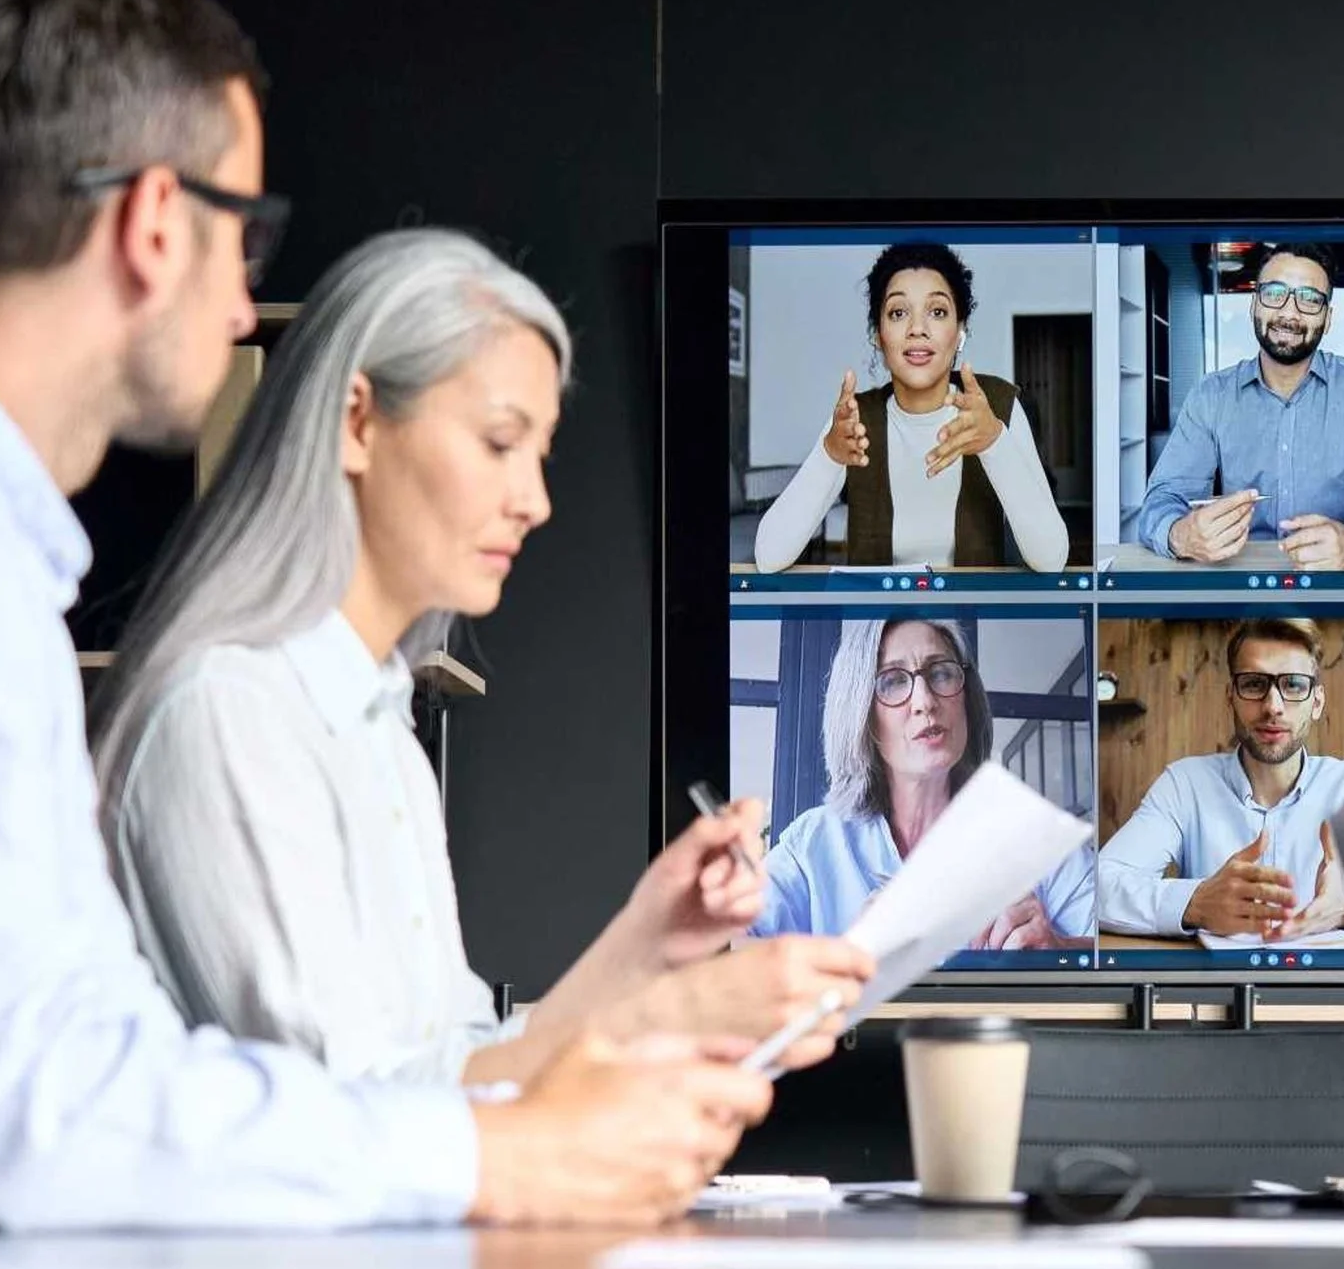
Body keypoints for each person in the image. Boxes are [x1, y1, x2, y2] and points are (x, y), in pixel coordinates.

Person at [0, 0, 761, 1230]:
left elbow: (112, 1051)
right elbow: (28, 1098)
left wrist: (632, 983)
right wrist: (510, 1154)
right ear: (153, 222)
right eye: (244, 238)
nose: (250, 308)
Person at [92, 229, 874, 1088]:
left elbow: (461, 1063)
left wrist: (648, 940)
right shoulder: (227, 712)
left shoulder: (378, 725)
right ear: (357, 422)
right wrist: (673, 1013)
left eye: (540, 455)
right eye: (501, 443)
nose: (536, 502)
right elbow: (355, 1119)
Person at [1100, 618, 1344, 940]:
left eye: (1293, 685)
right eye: (1254, 683)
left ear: (1316, 702)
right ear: (1231, 698)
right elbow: (1098, 884)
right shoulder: (1184, 784)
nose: (1273, 705)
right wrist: (1195, 902)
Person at [752, 617, 1095, 947]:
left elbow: (1117, 954)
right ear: (861, 713)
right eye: (893, 680)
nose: (925, 702)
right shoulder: (813, 845)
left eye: (941, 673)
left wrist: (1059, 949)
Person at [754, 242, 1068, 572]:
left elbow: (1051, 559)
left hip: (975, 621)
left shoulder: (998, 406)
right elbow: (769, 557)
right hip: (878, 623)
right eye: (898, 313)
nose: (918, 329)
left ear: (960, 330)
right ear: (878, 333)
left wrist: (994, 443)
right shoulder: (855, 419)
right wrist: (829, 455)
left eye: (937, 312)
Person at [1133, 243, 1344, 571]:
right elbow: (1161, 502)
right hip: (1238, 588)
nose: (1289, 313)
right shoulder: (1210, 395)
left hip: (1336, 584)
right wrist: (1181, 535)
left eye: (1309, 299)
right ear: (1254, 304)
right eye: (1275, 293)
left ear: (1328, 318)